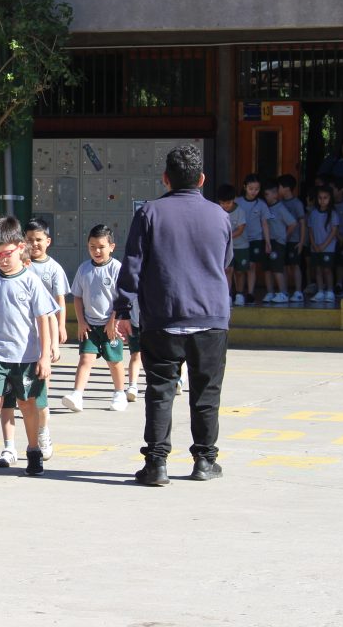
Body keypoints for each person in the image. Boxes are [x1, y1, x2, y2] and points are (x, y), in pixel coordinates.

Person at [114, 145, 232, 486]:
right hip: (211, 317)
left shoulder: (149, 213)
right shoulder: (220, 216)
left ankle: (156, 464)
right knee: (206, 392)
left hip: (163, 318)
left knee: (160, 391)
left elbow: (133, 266)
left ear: (165, 178)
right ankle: (205, 461)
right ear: (202, 179)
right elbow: (225, 261)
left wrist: (123, 309)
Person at [0, 217, 59, 481]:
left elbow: (44, 319)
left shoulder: (31, 281)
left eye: (6, 254)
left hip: (27, 358)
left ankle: (33, 451)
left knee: (28, 406)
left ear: (20, 247)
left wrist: (45, 355)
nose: (1, 260)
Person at [62, 225, 128, 413]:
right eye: (92, 247)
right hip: (90, 325)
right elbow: (77, 296)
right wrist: (81, 321)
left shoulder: (117, 269)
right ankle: (77, 394)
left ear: (111, 247)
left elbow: (122, 299)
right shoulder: (84, 269)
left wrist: (112, 321)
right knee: (85, 358)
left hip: (110, 325)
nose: (96, 251)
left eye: (101, 246)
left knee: (114, 361)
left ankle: (119, 393)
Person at [19, 218, 66, 460]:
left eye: (38, 240)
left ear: (48, 241)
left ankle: (43, 431)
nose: (34, 244)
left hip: (43, 340)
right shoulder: (19, 267)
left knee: (40, 393)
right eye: (29, 240)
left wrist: (57, 339)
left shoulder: (53, 268)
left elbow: (58, 303)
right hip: (18, 342)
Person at [235, 174, 271, 304]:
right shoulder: (237, 202)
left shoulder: (261, 204)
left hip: (256, 239)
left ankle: (250, 293)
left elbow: (265, 224)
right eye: (251, 188)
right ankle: (239, 293)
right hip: (240, 239)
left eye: (256, 189)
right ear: (245, 187)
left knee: (251, 266)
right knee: (240, 267)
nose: (253, 192)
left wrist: (267, 242)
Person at [261, 179, 296, 303]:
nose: (265, 197)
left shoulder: (281, 208)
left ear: (275, 194)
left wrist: (284, 237)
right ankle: (270, 292)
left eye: (267, 194)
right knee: (267, 269)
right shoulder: (264, 207)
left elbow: (292, 223)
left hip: (278, 242)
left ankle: (283, 292)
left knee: (278, 269)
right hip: (267, 241)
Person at [277, 175, 307, 303]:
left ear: (286, 188)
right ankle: (284, 291)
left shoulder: (297, 203)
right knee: (284, 266)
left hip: (294, 240)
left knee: (295, 265)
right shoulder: (280, 203)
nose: (278, 190)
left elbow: (302, 223)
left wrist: (301, 241)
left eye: (279, 187)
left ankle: (299, 291)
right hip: (283, 241)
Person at [307, 186, 340, 302]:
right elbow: (310, 230)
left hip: (328, 248)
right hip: (315, 247)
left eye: (325, 198)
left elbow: (334, 232)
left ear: (330, 199)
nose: (322, 200)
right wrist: (314, 244)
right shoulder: (313, 213)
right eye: (320, 198)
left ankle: (330, 291)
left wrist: (324, 245)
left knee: (327, 270)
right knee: (318, 269)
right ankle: (320, 291)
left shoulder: (333, 214)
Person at [218, 184, 249, 306]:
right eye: (222, 203)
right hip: (224, 247)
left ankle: (240, 293)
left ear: (234, 199)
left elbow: (241, 229)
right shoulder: (217, 211)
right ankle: (228, 295)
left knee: (240, 271)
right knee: (227, 270)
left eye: (228, 203)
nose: (225, 206)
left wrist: (227, 237)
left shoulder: (240, 211)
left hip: (240, 246)